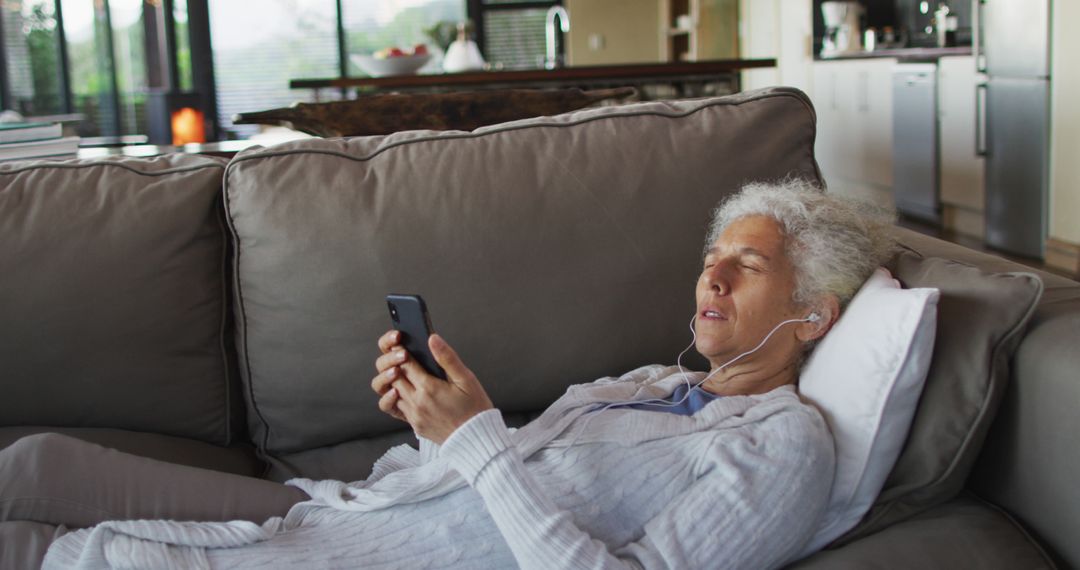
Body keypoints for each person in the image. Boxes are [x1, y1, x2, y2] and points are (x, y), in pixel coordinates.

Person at [1, 180, 893, 570]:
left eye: (749, 264)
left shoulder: (784, 446)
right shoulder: (655, 382)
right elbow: (468, 476)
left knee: (75, 555)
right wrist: (434, 425)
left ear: (813, 313)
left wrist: (477, 443)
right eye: (713, 255)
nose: (714, 274)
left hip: (356, 559)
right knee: (37, 464)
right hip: (337, 508)